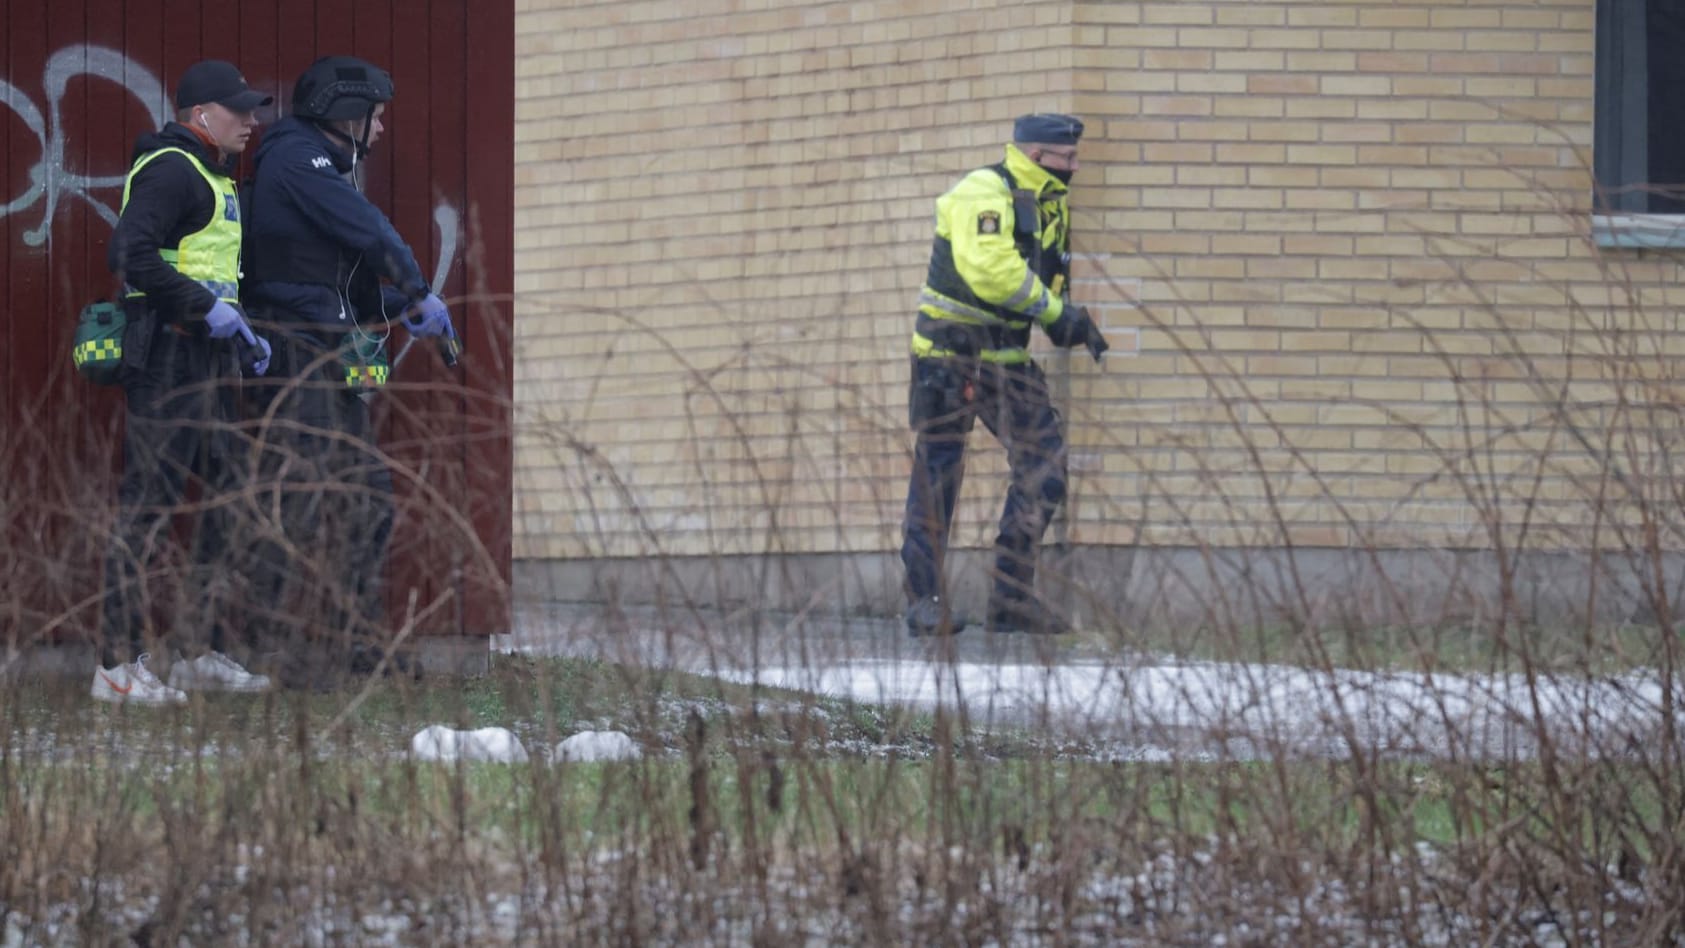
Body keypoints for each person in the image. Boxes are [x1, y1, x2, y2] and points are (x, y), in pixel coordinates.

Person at [239, 55, 454, 686]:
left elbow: (341, 283)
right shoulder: (294, 160)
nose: (382, 129)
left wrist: (398, 308)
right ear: (345, 115)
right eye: (376, 117)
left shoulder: (325, 168)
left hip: (327, 349)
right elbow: (369, 232)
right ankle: (265, 648)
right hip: (296, 353)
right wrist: (415, 285)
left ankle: (358, 644)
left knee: (366, 500)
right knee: (299, 499)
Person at [94, 59, 276, 703]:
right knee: (147, 508)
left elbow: (208, 269)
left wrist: (242, 331)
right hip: (167, 360)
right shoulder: (173, 168)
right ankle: (115, 669)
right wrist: (206, 311)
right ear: (202, 115)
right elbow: (130, 255)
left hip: (206, 361)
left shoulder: (212, 174)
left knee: (228, 499)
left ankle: (200, 650)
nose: (252, 121)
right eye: (241, 110)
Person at [900, 113, 1108, 637]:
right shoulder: (983, 191)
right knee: (939, 476)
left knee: (1045, 467)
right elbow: (991, 271)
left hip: (1007, 360)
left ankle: (1011, 599)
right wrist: (1056, 313)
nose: (1076, 166)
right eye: (1068, 158)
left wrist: (1067, 320)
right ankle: (924, 600)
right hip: (950, 356)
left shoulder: (1048, 206)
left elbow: (1041, 277)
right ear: (1038, 156)